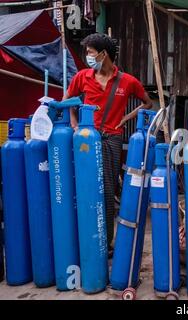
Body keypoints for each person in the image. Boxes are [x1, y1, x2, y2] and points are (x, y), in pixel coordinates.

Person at [64, 33, 153, 256]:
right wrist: (75, 125)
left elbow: (147, 103)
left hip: (112, 139)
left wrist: (126, 117)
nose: (87, 57)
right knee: (83, 187)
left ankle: (106, 241)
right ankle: (85, 237)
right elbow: (68, 101)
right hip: (86, 138)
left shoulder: (127, 81)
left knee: (107, 190)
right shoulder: (83, 77)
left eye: (90, 53)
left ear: (103, 54)